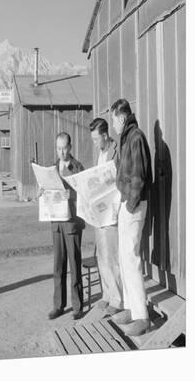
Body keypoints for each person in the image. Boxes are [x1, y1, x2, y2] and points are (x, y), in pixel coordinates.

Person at [110, 99, 152, 336]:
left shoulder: (135, 137)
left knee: (132, 257)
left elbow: (139, 176)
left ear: (121, 117)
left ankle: (141, 317)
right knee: (124, 258)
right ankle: (130, 307)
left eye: (114, 120)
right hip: (127, 203)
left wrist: (130, 204)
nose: (113, 125)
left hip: (133, 205)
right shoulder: (127, 137)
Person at [48, 132, 85, 320]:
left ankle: (77, 306)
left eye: (64, 148)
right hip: (56, 222)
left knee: (74, 264)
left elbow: (85, 193)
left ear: (70, 147)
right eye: (58, 148)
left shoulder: (77, 168)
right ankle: (58, 305)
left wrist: (72, 195)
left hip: (72, 224)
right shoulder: (52, 168)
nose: (61, 152)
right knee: (58, 266)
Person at [89, 118, 123, 316]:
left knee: (112, 257)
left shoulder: (115, 151)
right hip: (99, 212)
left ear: (104, 135)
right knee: (101, 255)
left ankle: (118, 298)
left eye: (96, 139)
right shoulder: (100, 154)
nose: (94, 143)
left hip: (111, 211)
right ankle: (107, 295)